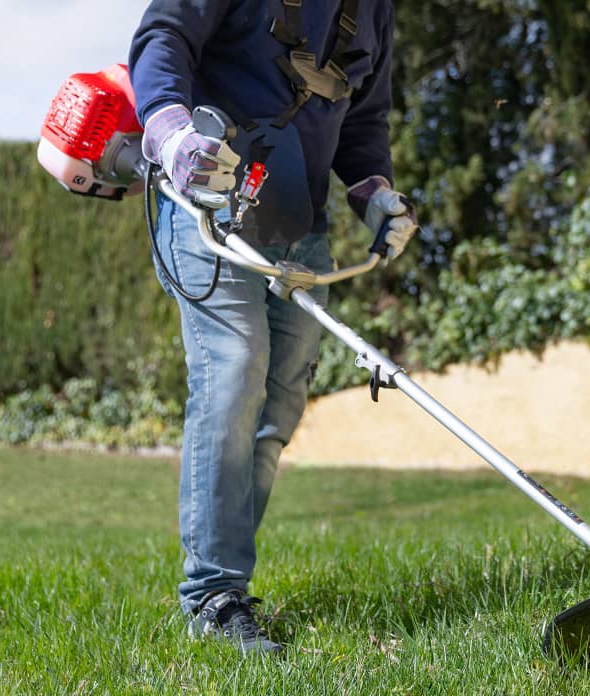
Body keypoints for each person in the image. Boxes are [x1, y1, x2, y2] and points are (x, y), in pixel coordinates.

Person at [128, 0, 418, 655]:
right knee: (235, 368)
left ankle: (226, 583)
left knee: (279, 404)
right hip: (204, 208)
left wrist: (374, 193)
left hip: (299, 224)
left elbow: (364, 117)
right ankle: (213, 596)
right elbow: (162, 37)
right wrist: (173, 134)